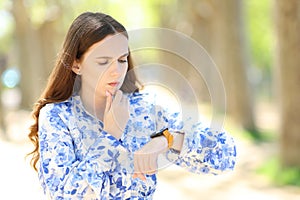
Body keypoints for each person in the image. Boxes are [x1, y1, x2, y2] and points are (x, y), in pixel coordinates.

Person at [28, 12, 237, 200]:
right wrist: (110, 136)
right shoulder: (57, 117)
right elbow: (63, 194)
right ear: (76, 64)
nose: (116, 71)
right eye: (103, 62)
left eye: (122, 60)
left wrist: (167, 139)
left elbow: (226, 154)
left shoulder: (145, 109)